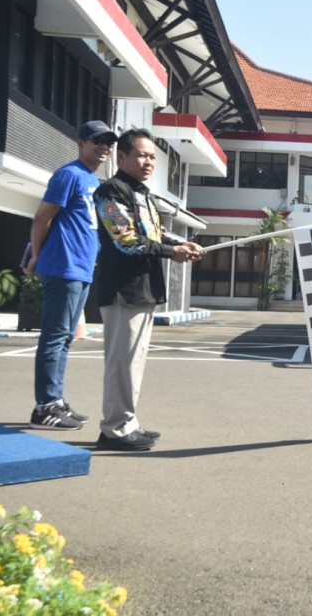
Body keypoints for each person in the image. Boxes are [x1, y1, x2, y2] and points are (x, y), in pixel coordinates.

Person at [93, 128, 203, 451]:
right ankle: (113, 429)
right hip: (122, 290)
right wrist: (173, 252)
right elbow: (126, 239)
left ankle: (126, 423)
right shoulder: (110, 192)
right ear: (121, 156)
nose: (149, 162)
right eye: (142, 155)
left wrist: (182, 243)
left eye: (153, 156)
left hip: (144, 289)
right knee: (121, 363)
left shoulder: (143, 194)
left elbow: (156, 233)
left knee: (133, 362)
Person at [25, 120, 117, 431]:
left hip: (80, 268)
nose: (104, 147)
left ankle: (55, 401)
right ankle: (44, 407)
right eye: (97, 141)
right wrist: (36, 256)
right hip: (62, 265)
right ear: (80, 143)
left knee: (64, 338)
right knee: (54, 337)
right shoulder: (69, 174)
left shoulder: (93, 180)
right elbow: (43, 217)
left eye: (108, 142)